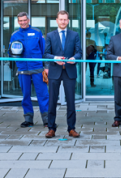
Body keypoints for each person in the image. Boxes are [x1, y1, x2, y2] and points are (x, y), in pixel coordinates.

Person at [43, 10, 83, 138]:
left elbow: (79, 52)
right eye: (61, 19)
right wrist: (55, 58)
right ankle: (51, 128)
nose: (63, 21)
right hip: (55, 71)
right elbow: (46, 54)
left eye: (65, 19)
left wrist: (74, 58)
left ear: (68, 21)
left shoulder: (74, 34)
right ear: (57, 20)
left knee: (71, 101)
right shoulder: (50, 35)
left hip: (69, 72)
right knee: (52, 101)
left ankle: (71, 128)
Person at [9, 12, 49, 127]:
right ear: (18, 22)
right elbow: (10, 52)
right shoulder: (14, 35)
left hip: (37, 69)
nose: (23, 22)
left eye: (24, 20)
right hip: (23, 70)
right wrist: (14, 53)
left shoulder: (37, 32)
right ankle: (28, 120)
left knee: (43, 95)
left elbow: (44, 51)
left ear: (28, 20)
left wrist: (46, 67)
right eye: (20, 21)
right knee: (25, 95)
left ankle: (46, 120)